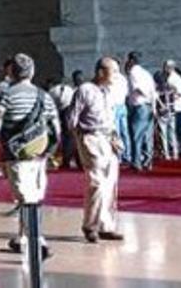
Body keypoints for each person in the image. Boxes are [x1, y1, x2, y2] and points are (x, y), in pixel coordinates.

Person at [0, 53, 59, 260]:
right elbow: (56, 127)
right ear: (32, 71)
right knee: (33, 196)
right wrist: (50, 152)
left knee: (25, 197)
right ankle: (22, 238)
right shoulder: (44, 95)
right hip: (38, 154)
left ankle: (38, 239)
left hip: (16, 153)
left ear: (12, 72)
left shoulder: (7, 94)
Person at [69, 57, 125, 243]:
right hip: (91, 138)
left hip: (108, 139)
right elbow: (72, 119)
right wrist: (81, 141)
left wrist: (115, 138)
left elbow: (111, 118)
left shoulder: (109, 92)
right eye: (113, 71)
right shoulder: (85, 90)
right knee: (97, 183)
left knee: (110, 184)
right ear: (101, 72)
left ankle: (106, 225)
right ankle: (90, 225)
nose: (117, 75)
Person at [124, 52, 156, 171]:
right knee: (147, 136)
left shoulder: (133, 72)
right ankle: (148, 161)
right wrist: (153, 106)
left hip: (139, 105)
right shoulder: (146, 73)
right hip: (148, 106)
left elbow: (138, 88)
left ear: (131, 60)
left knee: (136, 136)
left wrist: (145, 97)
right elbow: (153, 91)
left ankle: (136, 162)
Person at [47, 75, 79, 169]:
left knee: (59, 135)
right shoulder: (70, 89)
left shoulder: (52, 91)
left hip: (58, 112)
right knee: (69, 136)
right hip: (68, 111)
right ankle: (66, 158)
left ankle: (57, 157)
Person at [164, 60, 181, 155]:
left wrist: (169, 96)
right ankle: (180, 147)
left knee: (177, 129)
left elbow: (179, 93)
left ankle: (180, 147)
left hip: (176, 107)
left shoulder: (173, 79)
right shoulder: (176, 78)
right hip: (177, 106)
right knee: (178, 128)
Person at [153, 70, 179, 161]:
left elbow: (155, 101)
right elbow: (178, 96)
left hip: (162, 113)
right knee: (172, 133)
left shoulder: (157, 90)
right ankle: (175, 153)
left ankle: (166, 154)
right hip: (172, 112)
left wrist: (155, 112)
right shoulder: (172, 87)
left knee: (163, 134)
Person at [110, 62, 131, 164]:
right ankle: (127, 154)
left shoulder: (111, 78)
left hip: (114, 106)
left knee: (116, 132)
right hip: (123, 106)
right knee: (125, 132)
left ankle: (119, 156)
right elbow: (127, 93)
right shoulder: (123, 78)